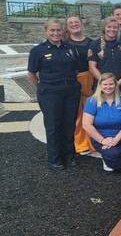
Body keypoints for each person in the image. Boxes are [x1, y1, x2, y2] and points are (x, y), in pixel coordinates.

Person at [27, 18, 81, 171]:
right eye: (52, 30)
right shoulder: (38, 51)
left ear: (63, 31)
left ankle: (69, 156)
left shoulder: (70, 49)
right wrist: (42, 87)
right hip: (50, 92)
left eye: (58, 30)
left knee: (69, 124)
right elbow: (31, 73)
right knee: (53, 126)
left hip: (70, 91)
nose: (56, 33)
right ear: (46, 31)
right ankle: (56, 159)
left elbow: (75, 70)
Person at [82, 73, 121, 172]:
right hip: (102, 139)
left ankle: (112, 157)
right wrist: (103, 140)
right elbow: (86, 125)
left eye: (111, 84)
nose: (108, 87)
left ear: (116, 85)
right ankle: (107, 157)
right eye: (105, 84)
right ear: (100, 85)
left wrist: (116, 139)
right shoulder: (92, 101)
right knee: (114, 155)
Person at [63, 15, 95, 155]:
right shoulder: (64, 44)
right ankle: (80, 144)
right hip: (73, 81)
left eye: (77, 22)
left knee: (90, 112)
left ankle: (93, 141)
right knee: (76, 114)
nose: (74, 24)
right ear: (67, 26)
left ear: (82, 24)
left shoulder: (92, 43)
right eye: (71, 23)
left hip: (90, 80)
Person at [88, 16, 121, 94]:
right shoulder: (95, 44)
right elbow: (92, 67)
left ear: (118, 29)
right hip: (102, 86)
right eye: (109, 27)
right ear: (104, 28)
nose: (112, 29)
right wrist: (105, 83)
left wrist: (120, 81)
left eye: (115, 27)